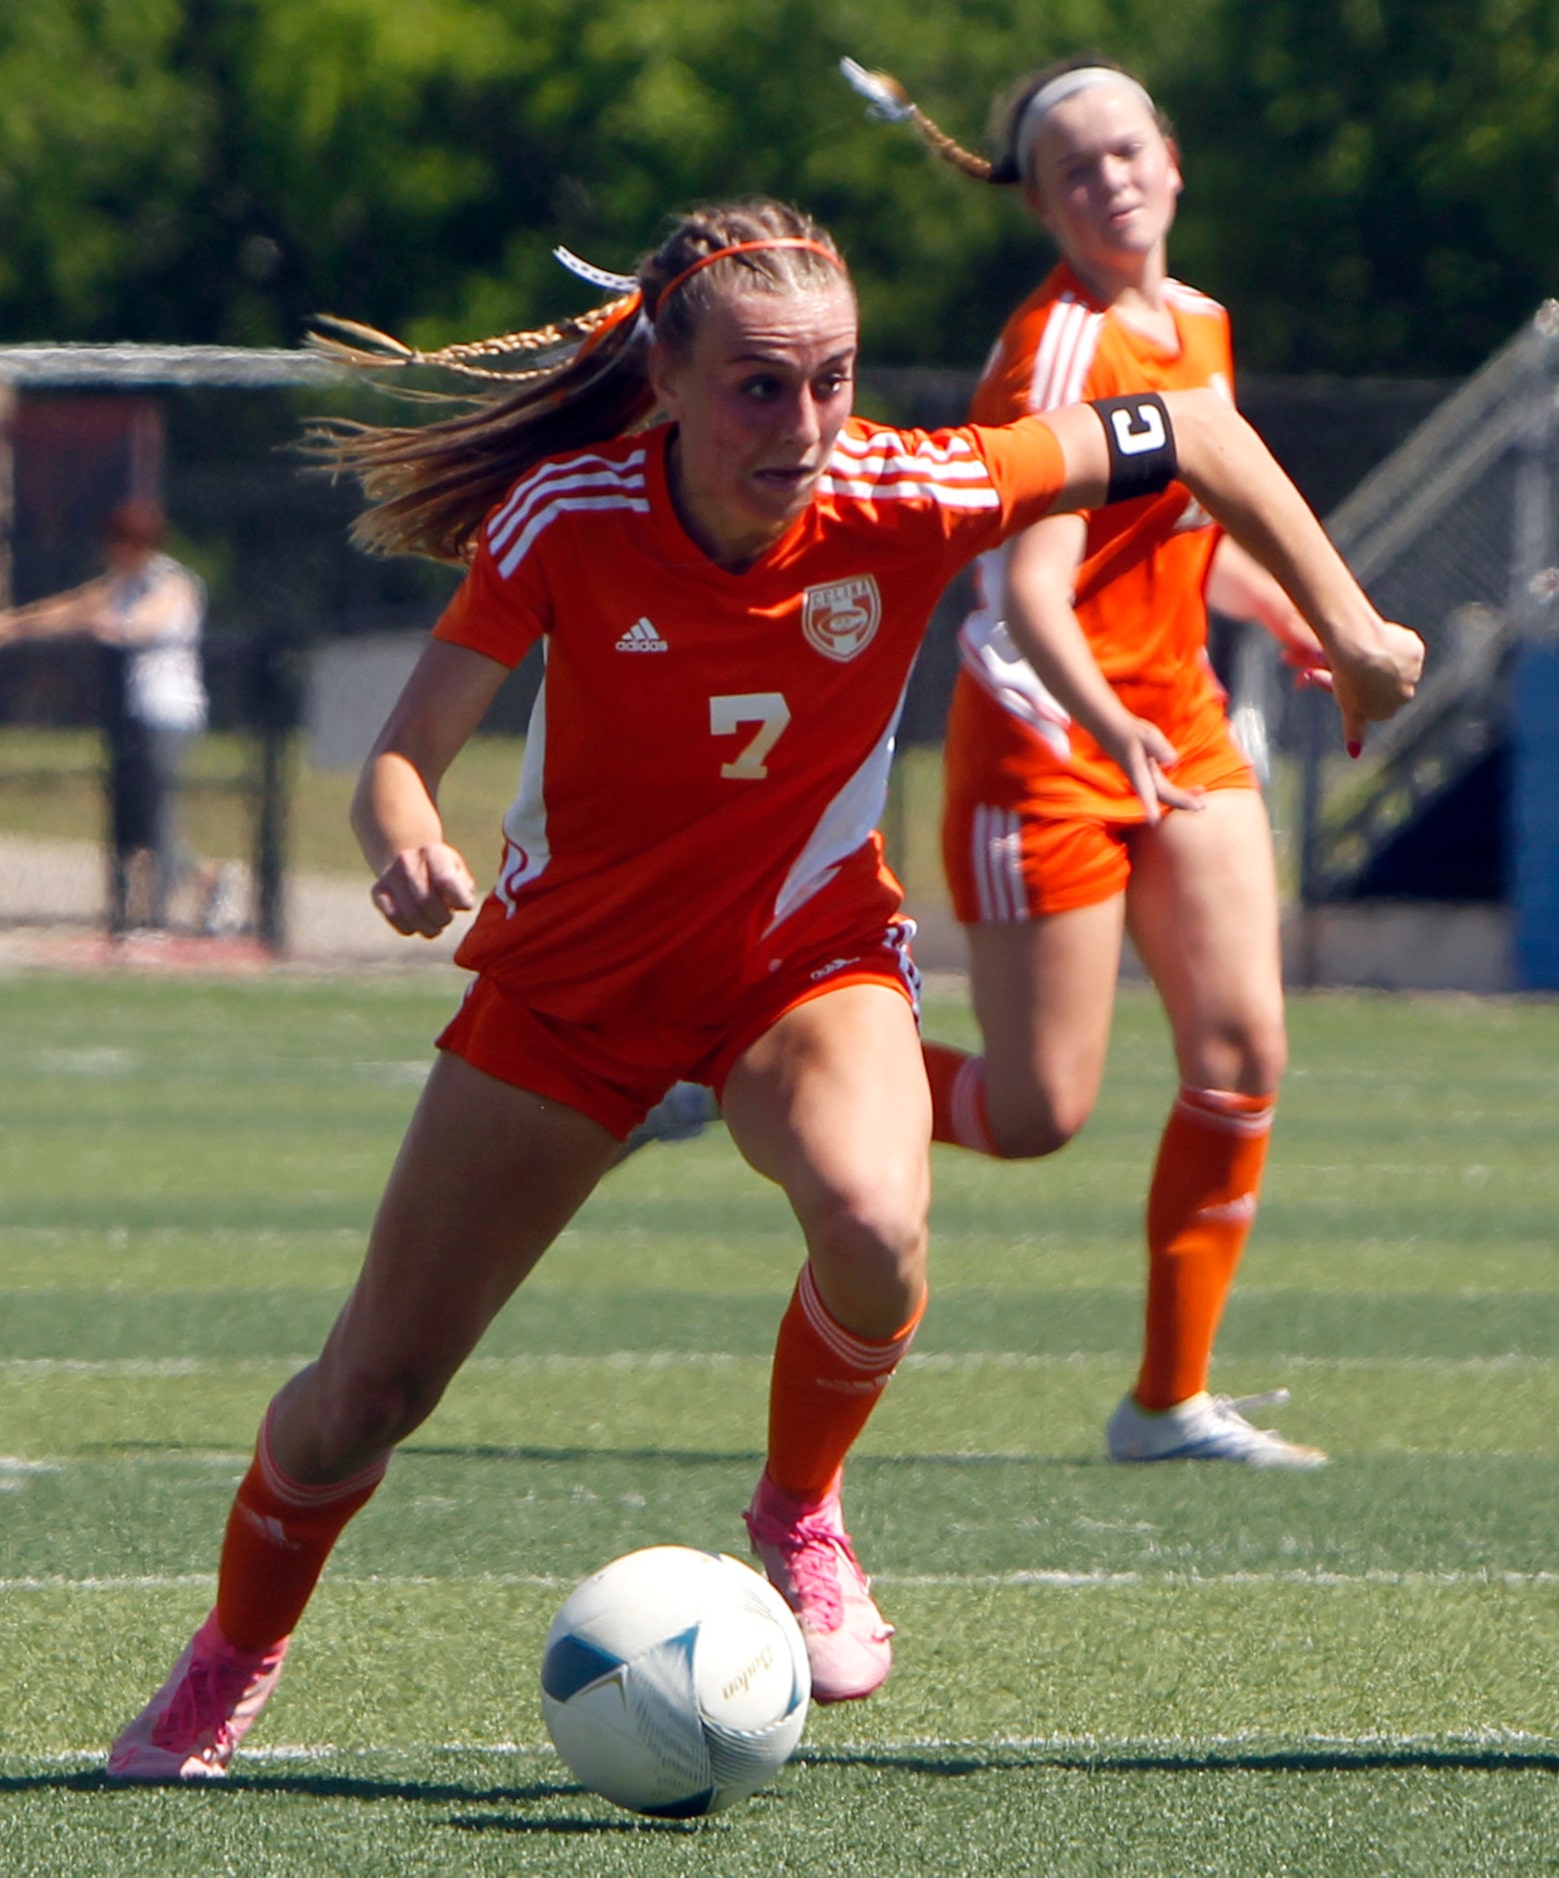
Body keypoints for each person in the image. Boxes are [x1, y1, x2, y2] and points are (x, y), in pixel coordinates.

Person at [104, 195, 1420, 1782]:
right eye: (758, 387)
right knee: (362, 1396)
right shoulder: (563, 518)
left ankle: (799, 1504)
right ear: (662, 380)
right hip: (569, 997)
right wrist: (407, 845)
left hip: (801, 968)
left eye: (832, 379)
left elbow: (1196, 425)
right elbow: (402, 756)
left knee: (876, 1222)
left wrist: (1346, 628)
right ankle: (225, 1664)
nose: (804, 425)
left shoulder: (907, 485)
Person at [827, 56, 1338, 1466]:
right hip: (1048, 733)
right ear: (1047, 208)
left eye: (1127, 152)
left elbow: (1184, 533)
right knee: (1036, 1108)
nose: (1111, 178)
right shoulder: (1059, 344)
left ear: (1169, 161)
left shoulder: (1202, 325)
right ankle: (749, 1053)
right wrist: (1103, 719)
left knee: (1241, 1054)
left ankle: (1167, 1401)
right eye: (1076, 169)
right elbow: (1031, 587)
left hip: (1169, 717)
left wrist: (1290, 619)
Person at [0, 501, 212, 930]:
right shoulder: (123, 584)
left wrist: (112, 624)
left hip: (170, 710)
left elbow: (142, 624)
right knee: (136, 813)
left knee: (157, 814)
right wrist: (16, 624)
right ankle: (183, 891)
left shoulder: (173, 584)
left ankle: (185, 897)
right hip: (132, 712)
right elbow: (74, 607)